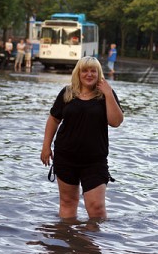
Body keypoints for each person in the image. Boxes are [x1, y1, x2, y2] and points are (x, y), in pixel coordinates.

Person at [40, 56, 124, 220]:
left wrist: (108, 93)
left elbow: (116, 122)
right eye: (85, 70)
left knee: (97, 208)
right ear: (78, 73)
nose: (89, 74)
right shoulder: (67, 93)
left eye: (93, 71)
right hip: (66, 158)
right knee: (68, 203)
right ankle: (67, 241)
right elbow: (54, 119)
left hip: (94, 161)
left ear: (99, 74)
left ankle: (92, 244)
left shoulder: (106, 95)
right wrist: (46, 146)